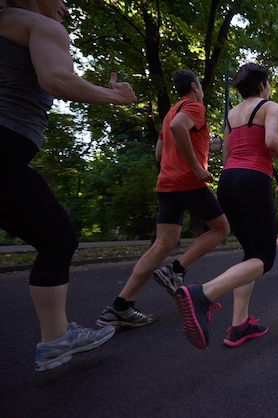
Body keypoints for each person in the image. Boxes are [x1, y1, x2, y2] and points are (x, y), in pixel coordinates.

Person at [0, 0, 137, 371]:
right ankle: (55, 339)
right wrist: (117, 97)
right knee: (57, 239)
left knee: (55, 239)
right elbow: (56, 79)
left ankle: (56, 338)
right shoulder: (39, 25)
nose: (65, 7)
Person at [173, 62, 278, 349]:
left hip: (229, 180)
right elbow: (271, 140)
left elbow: (227, 153)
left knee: (250, 254)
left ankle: (239, 325)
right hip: (253, 179)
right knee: (265, 258)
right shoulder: (270, 106)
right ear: (261, 85)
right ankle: (203, 294)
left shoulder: (232, 114)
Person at [96, 69, 230, 328]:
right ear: (194, 86)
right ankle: (175, 270)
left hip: (167, 184)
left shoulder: (171, 110)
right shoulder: (193, 106)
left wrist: (196, 157)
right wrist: (195, 168)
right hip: (189, 183)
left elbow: (160, 153)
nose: (201, 91)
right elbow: (179, 127)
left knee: (163, 243)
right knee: (221, 228)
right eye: (200, 86)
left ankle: (121, 306)